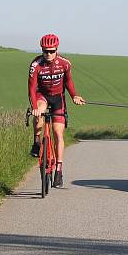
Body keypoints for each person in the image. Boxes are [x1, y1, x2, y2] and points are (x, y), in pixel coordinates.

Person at [28, 33, 85, 188]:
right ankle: (37, 141)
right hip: (42, 96)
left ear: (57, 50)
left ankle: (59, 170)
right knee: (39, 111)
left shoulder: (65, 63)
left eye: (52, 51)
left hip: (58, 97)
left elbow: (68, 81)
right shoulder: (36, 65)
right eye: (45, 51)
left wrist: (74, 96)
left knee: (58, 133)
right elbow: (32, 88)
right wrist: (34, 107)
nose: (48, 54)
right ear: (41, 50)